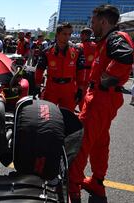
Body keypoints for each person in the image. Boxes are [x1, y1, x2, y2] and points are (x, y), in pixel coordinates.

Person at [69, 5, 133, 203]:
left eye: (94, 20)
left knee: (81, 141)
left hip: (100, 98)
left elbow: (126, 56)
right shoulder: (107, 40)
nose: (91, 24)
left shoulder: (115, 38)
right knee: (99, 142)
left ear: (103, 22)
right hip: (103, 97)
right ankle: (97, 181)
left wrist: (109, 78)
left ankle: (72, 187)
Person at [35, 22, 85, 112]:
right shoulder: (47, 51)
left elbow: (81, 71)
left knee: (67, 117)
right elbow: (39, 70)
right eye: (64, 34)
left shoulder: (77, 51)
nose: (68, 37)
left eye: (69, 34)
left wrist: (80, 89)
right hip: (51, 89)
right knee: (47, 116)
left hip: (69, 90)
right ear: (57, 34)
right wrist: (37, 86)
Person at [76, 28, 96, 110]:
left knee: (77, 90)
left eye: (81, 34)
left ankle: (75, 109)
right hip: (90, 72)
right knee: (84, 92)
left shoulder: (79, 46)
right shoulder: (95, 45)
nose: (80, 36)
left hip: (80, 71)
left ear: (85, 35)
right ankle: (82, 109)